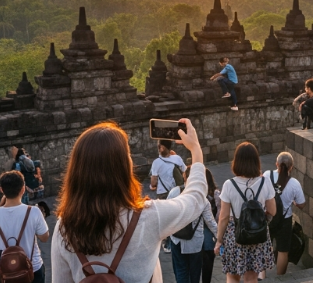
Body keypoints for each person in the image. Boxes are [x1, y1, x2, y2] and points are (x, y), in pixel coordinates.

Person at [51, 120, 209, 283]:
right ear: (123, 166)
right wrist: (196, 149)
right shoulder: (149, 217)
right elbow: (195, 199)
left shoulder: (64, 227)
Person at [215, 142, 277, 283]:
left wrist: (219, 240)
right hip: (257, 233)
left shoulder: (229, 185)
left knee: (232, 275)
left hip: (235, 233)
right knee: (252, 277)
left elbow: (224, 217)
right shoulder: (265, 182)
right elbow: (273, 211)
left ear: (236, 161)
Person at [0, 170, 50, 283]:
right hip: (33, 268)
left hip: (6, 270)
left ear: (1, 190)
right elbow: (44, 237)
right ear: (23, 189)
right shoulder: (34, 212)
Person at [167, 169, 218, 283]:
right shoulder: (202, 197)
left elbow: (166, 214)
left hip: (176, 239)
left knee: (181, 271)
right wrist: (220, 239)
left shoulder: (175, 192)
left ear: (185, 176)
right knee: (194, 273)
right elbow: (211, 222)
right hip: (195, 242)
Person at [262, 152, 305, 276]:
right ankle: (280, 277)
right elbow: (302, 204)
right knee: (283, 250)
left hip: (267, 218)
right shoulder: (294, 183)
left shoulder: (267, 175)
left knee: (264, 247)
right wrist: (293, 202)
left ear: (277, 164)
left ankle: (262, 276)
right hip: (285, 220)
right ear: (291, 167)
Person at [202, 169, 221, 283]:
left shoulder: (195, 194)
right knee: (208, 265)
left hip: (195, 234)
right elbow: (219, 214)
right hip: (210, 234)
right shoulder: (216, 194)